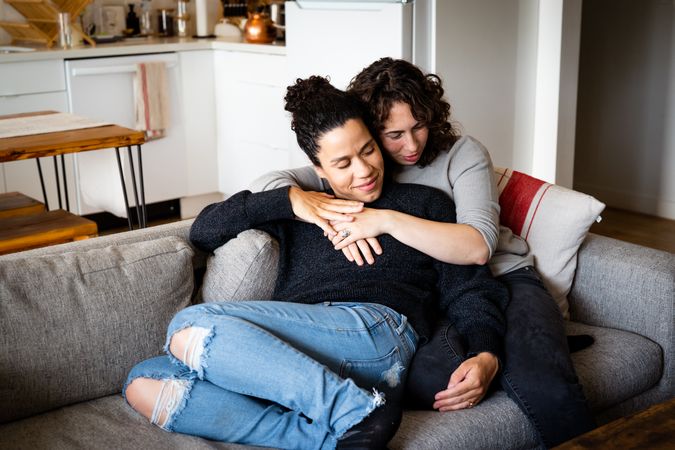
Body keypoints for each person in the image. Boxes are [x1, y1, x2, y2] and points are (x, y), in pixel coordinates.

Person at [123, 76, 508, 450]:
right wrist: (290, 200)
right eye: (342, 163)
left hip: (378, 333)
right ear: (319, 169)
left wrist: (486, 354)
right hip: (295, 351)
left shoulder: (424, 204)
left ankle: (355, 410)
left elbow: (470, 287)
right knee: (145, 381)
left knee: (189, 325)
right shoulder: (301, 207)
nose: (364, 170)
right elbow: (203, 231)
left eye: (368, 150)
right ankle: (331, 437)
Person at [252, 58, 596, 448]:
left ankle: (533, 347)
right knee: (427, 378)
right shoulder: (364, 163)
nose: (412, 145)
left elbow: (478, 246)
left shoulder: (462, 154)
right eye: (394, 134)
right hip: (433, 295)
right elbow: (269, 186)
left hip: (504, 277)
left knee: (542, 380)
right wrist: (298, 199)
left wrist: (387, 221)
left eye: (419, 126)